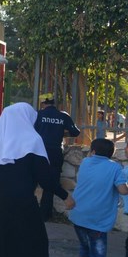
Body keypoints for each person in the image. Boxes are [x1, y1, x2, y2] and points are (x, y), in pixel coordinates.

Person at [0, 102, 75, 257]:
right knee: (29, 242)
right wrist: (65, 196)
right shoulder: (32, 140)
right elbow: (46, 179)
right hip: (21, 202)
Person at [69, 138, 128, 257]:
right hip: (97, 221)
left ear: (93, 151)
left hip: (78, 216)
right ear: (111, 154)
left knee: (85, 249)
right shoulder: (115, 167)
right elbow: (123, 191)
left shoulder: (85, 162)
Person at [34, 92, 81, 221]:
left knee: (32, 181)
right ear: (54, 102)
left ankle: (29, 212)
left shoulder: (38, 114)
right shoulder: (63, 116)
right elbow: (75, 132)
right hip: (55, 153)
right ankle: (45, 215)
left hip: (39, 152)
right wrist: (61, 132)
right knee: (51, 183)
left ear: (43, 103)